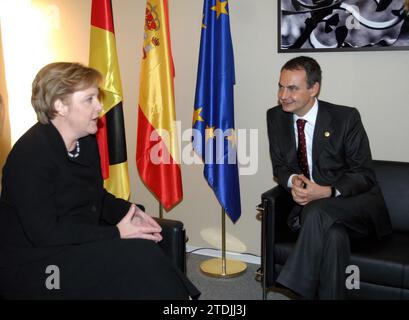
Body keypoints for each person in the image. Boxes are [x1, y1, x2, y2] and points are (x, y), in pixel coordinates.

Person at [0, 62, 200, 300]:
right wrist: (116, 232)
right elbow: (44, 234)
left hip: (76, 245)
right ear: (60, 106)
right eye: (89, 99)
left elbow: (97, 197)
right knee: (138, 257)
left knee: (142, 252)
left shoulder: (84, 142)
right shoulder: (30, 156)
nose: (100, 107)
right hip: (39, 267)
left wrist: (131, 212)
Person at [266, 56, 392, 299]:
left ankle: (293, 285)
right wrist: (294, 182)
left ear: (314, 89)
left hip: (355, 206)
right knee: (333, 237)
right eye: (281, 86)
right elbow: (280, 166)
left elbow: (363, 174)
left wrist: (325, 191)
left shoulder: (346, 119)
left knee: (317, 211)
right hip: (317, 215)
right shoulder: (276, 117)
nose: (283, 95)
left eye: (292, 88)